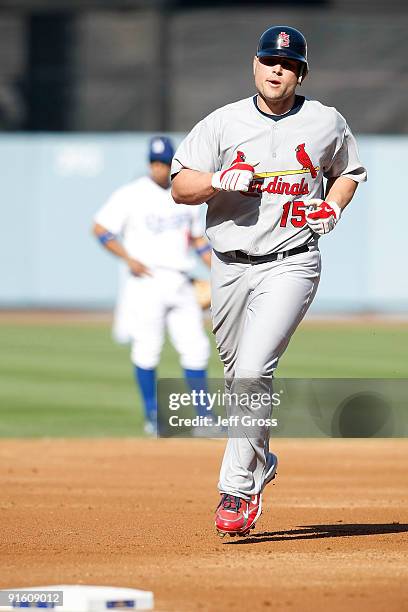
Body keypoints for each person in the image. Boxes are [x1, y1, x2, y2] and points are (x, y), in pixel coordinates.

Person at [171, 26, 367, 536]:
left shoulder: (326, 121)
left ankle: (237, 489)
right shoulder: (222, 122)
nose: (276, 69)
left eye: (287, 63)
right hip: (229, 266)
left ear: (300, 72)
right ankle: (259, 462)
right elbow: (179, 185)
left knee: (256, 369)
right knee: (241, 380)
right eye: (268, 60)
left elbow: (350, 172)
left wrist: (333, 206)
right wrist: (217, 179)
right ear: (254, 66)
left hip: (292, 259)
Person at [93, 136, 212, 435]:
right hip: (147, 280)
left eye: (164, 163)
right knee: (148, 349)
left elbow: (197, 240)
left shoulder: (185, 194)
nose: (159, 168)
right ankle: (152, 416)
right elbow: (101, 229)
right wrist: (127, 259)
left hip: (181, 280)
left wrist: (219, 270)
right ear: (149, 164)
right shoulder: (131, 194)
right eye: (155, 163)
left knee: (196, 348)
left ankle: (204, 417)